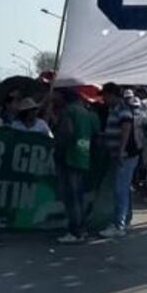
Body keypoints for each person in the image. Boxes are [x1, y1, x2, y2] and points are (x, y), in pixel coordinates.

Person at [52, 89, 95, 244]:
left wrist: (58, 150)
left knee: (71, 196)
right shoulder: (87, 113)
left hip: (69, 157)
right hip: (83, 156)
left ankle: (74, 230)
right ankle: (81, 229)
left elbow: (67, 132)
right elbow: (96, 134)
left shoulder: (69, 111)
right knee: (79, 195)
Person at [99, 83, 137, 238]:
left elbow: (126, 128)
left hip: (126, 155)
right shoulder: (114, 109)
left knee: (120, 189)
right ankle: (124, 219)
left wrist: (121, 150)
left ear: (112, 95)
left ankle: (118, 225)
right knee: (124, 188)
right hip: (119, 154)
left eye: (105, 95)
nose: (104, 99)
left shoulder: (122, 108)